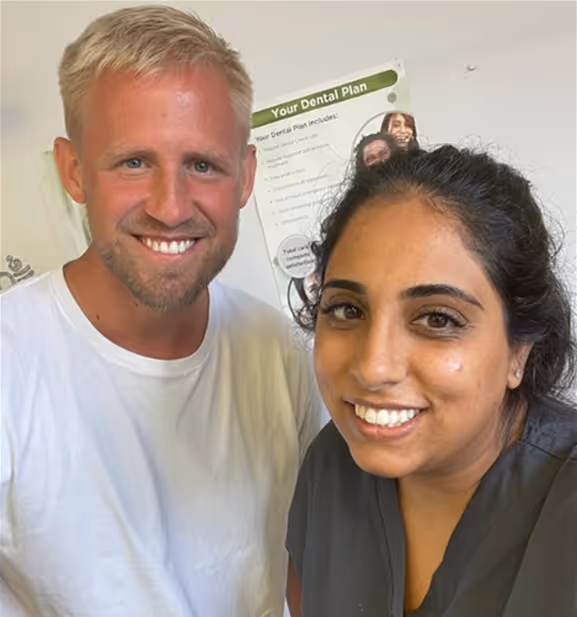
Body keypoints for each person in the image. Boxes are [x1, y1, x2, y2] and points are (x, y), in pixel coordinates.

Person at [0, 6, 321, 617]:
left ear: (245, 176)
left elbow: (305, 568)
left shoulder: (282, 355)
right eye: (133, 162)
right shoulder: (10, 362)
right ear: (72, 170)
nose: (171, 208)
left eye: (202, 164)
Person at [285, 146, 577, 617]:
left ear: (518, 351)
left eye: (438, 319)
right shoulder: (330, 467)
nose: (374, 367)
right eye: (345, 309)